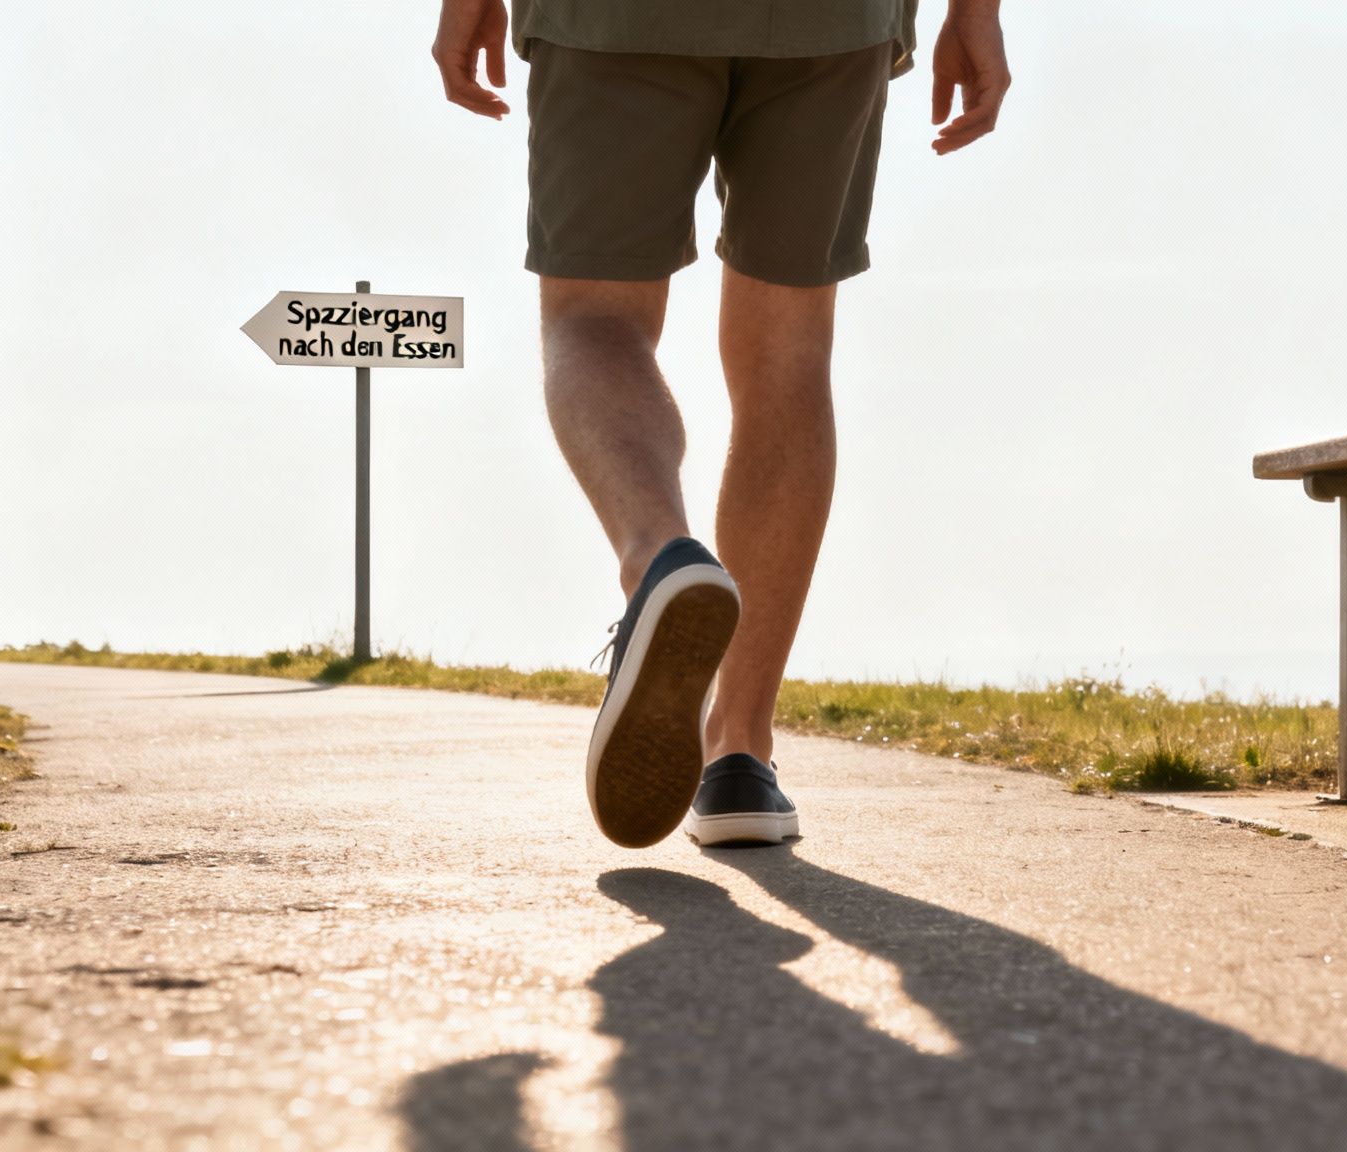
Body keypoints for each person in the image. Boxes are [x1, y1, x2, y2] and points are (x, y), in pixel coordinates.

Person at [432, 0, 1010, 848]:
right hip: (834, 22)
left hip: (613, 20)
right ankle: (738, 753)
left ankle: (658, 559)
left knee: (593, 316)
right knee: (789, 351)